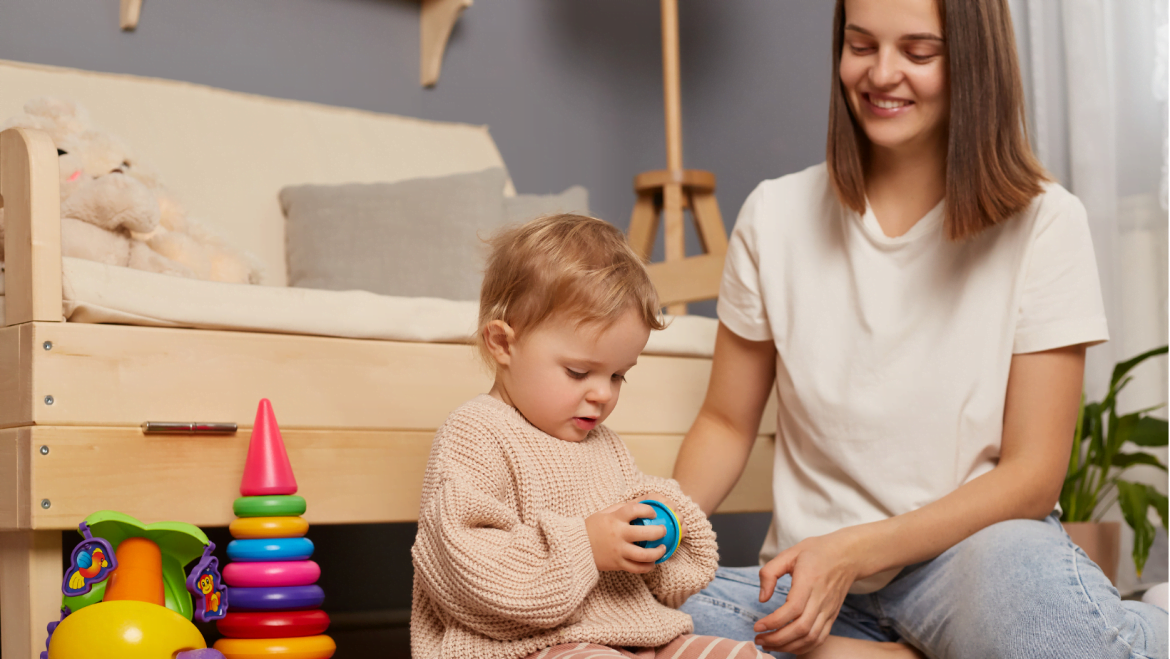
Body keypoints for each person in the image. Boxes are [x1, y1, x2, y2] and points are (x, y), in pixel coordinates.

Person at [672, 1, 1169, 658]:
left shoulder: (1046, 221)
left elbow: (1033, 474)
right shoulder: (773, 216)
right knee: (631, 608)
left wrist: (857, 549)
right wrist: (664, 523)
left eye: (918, 52)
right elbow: (726, 422)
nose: (882, 74)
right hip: (810, 579)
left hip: (972, 561)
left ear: (973, 61)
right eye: (860, 46)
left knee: (1044, 621)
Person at [410, 215, 772, 659]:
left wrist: (661, 531)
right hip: (517, 646)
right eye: (579, 372)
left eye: (619, 375)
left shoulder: (605, 446)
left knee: (741, 656)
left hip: (634, 634)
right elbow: (468, 564)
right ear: (503, 344)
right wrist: (586, 546)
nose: (603, 394)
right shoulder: (476, 433)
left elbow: (671, 584)